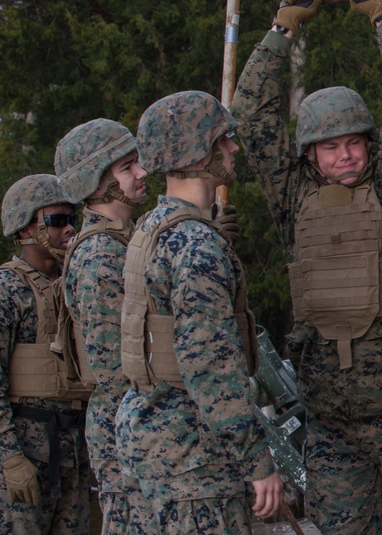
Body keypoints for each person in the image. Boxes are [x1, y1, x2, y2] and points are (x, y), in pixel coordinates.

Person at [231, 0, 382, 534]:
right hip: (331, 424)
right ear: (309, 154)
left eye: (355, 141)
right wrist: (284, 28)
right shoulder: (292, 197)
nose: (346, 154)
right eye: (331, 146)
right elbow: (252, 114)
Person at [115, 90, 282, 531]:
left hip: (150, 444)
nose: (233, 148)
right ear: (198, 152)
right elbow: (212, 368)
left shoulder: (149, 230)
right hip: (195, 458)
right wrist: (257, 461)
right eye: (223, 140)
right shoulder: (197, 245)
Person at [0, 173, 91, 533]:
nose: (69, 229)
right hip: (23, 456)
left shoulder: (80, 283)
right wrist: (10, 458)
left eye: (72, 219)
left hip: (75, 455)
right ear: (25, 230)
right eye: (57, 220)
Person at [54, 118, 150, 533]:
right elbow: (117, 372)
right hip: (127, 429)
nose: (142, 172)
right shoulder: (99, 257)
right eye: (127, 167)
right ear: (96, 184)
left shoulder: (128, 240)